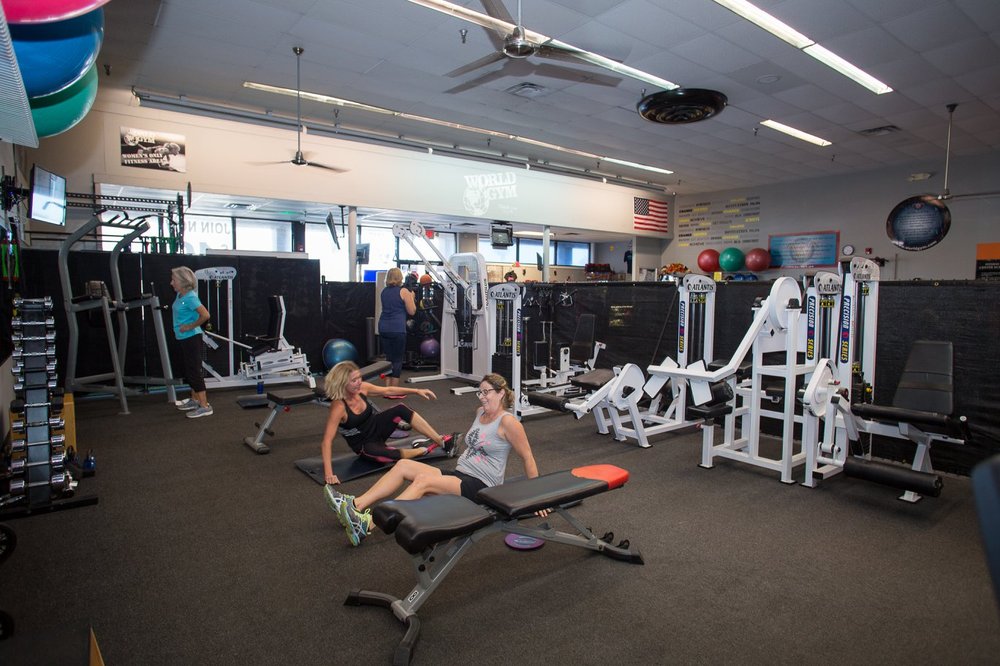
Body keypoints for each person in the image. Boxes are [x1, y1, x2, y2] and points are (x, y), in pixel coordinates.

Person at [325, 373, 544, 546]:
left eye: (487, 392)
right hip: (460, 475)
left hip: (481, 485)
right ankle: (356, 505)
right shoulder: (480, 412)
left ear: (501, 393)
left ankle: (367, 525)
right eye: (480, 392)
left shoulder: (509, 423)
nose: (482, 397)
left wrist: (537, 497)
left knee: (423, 482)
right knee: (403, 465)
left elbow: (528, 458)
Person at [320, 361, 459, 488]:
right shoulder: (338, 407)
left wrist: (416, 391)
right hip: (364, 445)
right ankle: (424, 449)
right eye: (354, 380)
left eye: (359, 378)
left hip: (377, 428)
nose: (359, 382)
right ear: (342, 383)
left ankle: (441, 441)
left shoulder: (362, 388)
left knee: (400, 409)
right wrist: (329, 474)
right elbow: (327, 441)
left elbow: (388, 390)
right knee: (386, 457)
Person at [169, 266, 213, 418]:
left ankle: (205, 406)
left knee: (194, 371)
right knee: (190, 371)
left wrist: (189, 326)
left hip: (192, 338)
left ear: (182, 282)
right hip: (184, 338)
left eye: (173, 280)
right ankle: (195, 400)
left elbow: (205, 315)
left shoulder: (190, 297)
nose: (171, 283)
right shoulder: (180, 295)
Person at [378, 267, 416, 392]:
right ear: (400, 278)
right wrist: (412, 297)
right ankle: (394, 391)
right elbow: (412, 311)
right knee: (397, 359)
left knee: (389, 359)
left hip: (383, 328)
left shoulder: (384, 291)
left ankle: (387, 389)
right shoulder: (404, 291)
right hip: (397, 328)